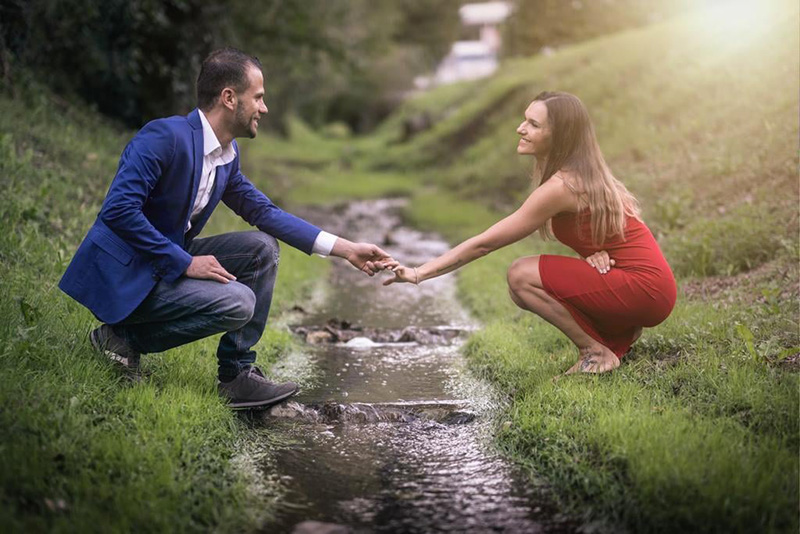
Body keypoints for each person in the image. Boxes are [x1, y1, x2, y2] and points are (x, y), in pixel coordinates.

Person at [59, 48, 393, 408]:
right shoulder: (163, 137)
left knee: (262, 248)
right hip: (125, 274)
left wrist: (346, 249)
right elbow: (118, 210)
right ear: (229, 98)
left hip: (162, 264)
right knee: (238, 302)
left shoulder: (225, 158)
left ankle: (236, 377)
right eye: (259, 97)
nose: (264, 109)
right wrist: (184, 262)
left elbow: (265, 212)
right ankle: (119, 339)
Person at [383, 91, 676, 374]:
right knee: (519, 289)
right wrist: (603, 257)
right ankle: (616, 333)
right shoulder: (585, 175)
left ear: (559, 135)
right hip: (650, 290)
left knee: (521, 275)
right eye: (525, 119)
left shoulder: (563, 186)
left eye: (534, 124)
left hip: (645, 289)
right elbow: (620, 239)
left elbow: (484, 244)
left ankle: (595, 353)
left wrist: (419, 273)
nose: (520, 128)